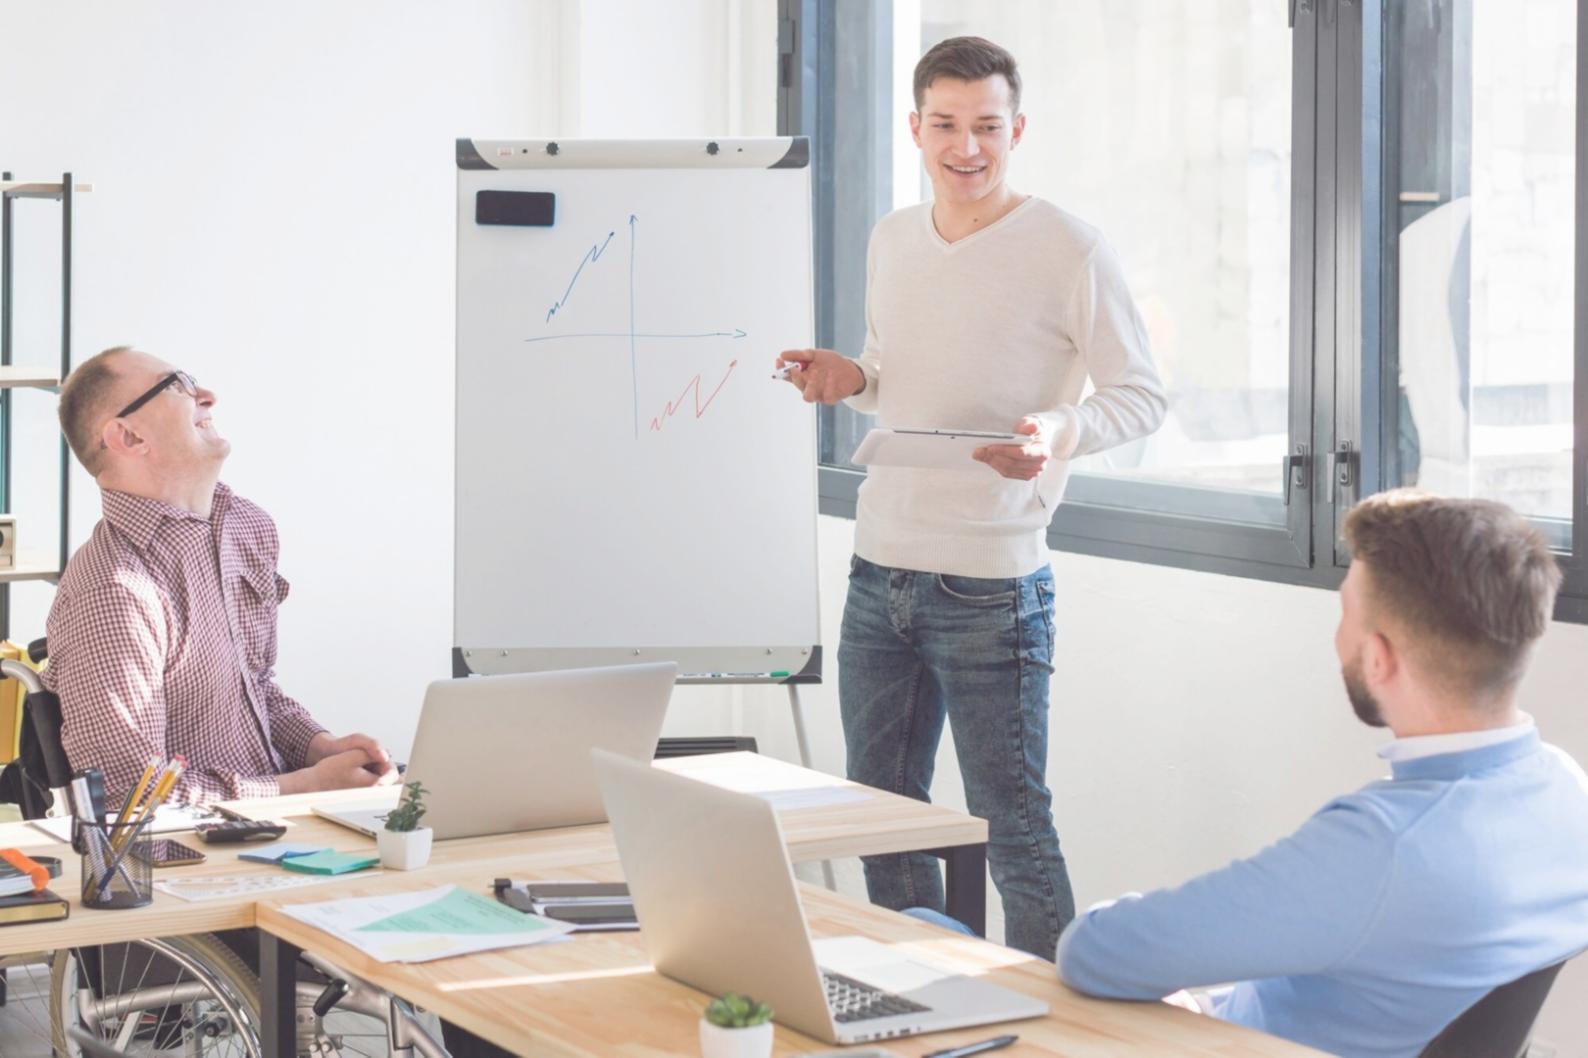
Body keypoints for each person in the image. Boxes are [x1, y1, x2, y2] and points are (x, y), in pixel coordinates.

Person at [777, 36, 1166, 959]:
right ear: (915, 128)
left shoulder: (1070, 248)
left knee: (1011, 822)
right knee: (880, 812)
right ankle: (916, 994)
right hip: (882, 571)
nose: (967, 148)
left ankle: (1060, 1027)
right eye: (945, 125)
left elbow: (1141, 394)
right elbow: (894, 376)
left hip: (992, 586)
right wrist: (849, 377)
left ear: (1017, 129)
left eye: (987, 127)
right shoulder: (892, 237)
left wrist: (1056, 433)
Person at [1057, 490, 1588, 1058]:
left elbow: (1093, 951)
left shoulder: (1382, 847)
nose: (1337, 641)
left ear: (1380, 657)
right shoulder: (1563, 786)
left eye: (1345, 615)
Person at [45, 346, 397, 804]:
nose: (207, 395)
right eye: (179, 387)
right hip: (191, 862)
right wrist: (301, 788)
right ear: (128, 438)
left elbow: (255, 688)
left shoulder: (246, 527)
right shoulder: (115, 589)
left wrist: (319, 747)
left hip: (281, 835)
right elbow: (130, 793)